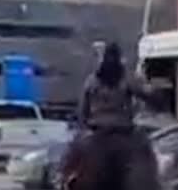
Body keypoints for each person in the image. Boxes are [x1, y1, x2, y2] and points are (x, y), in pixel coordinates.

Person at [62, 43, 161, 190]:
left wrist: (83, 127)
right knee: (146, 153)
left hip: (96, 132)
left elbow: (82, 109)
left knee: (71, 155)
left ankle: (65, 180)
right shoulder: (126, 79)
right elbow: (146, 94)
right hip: (124, 134)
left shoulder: (92, 81)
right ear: (119, 59)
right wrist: (156, 96)